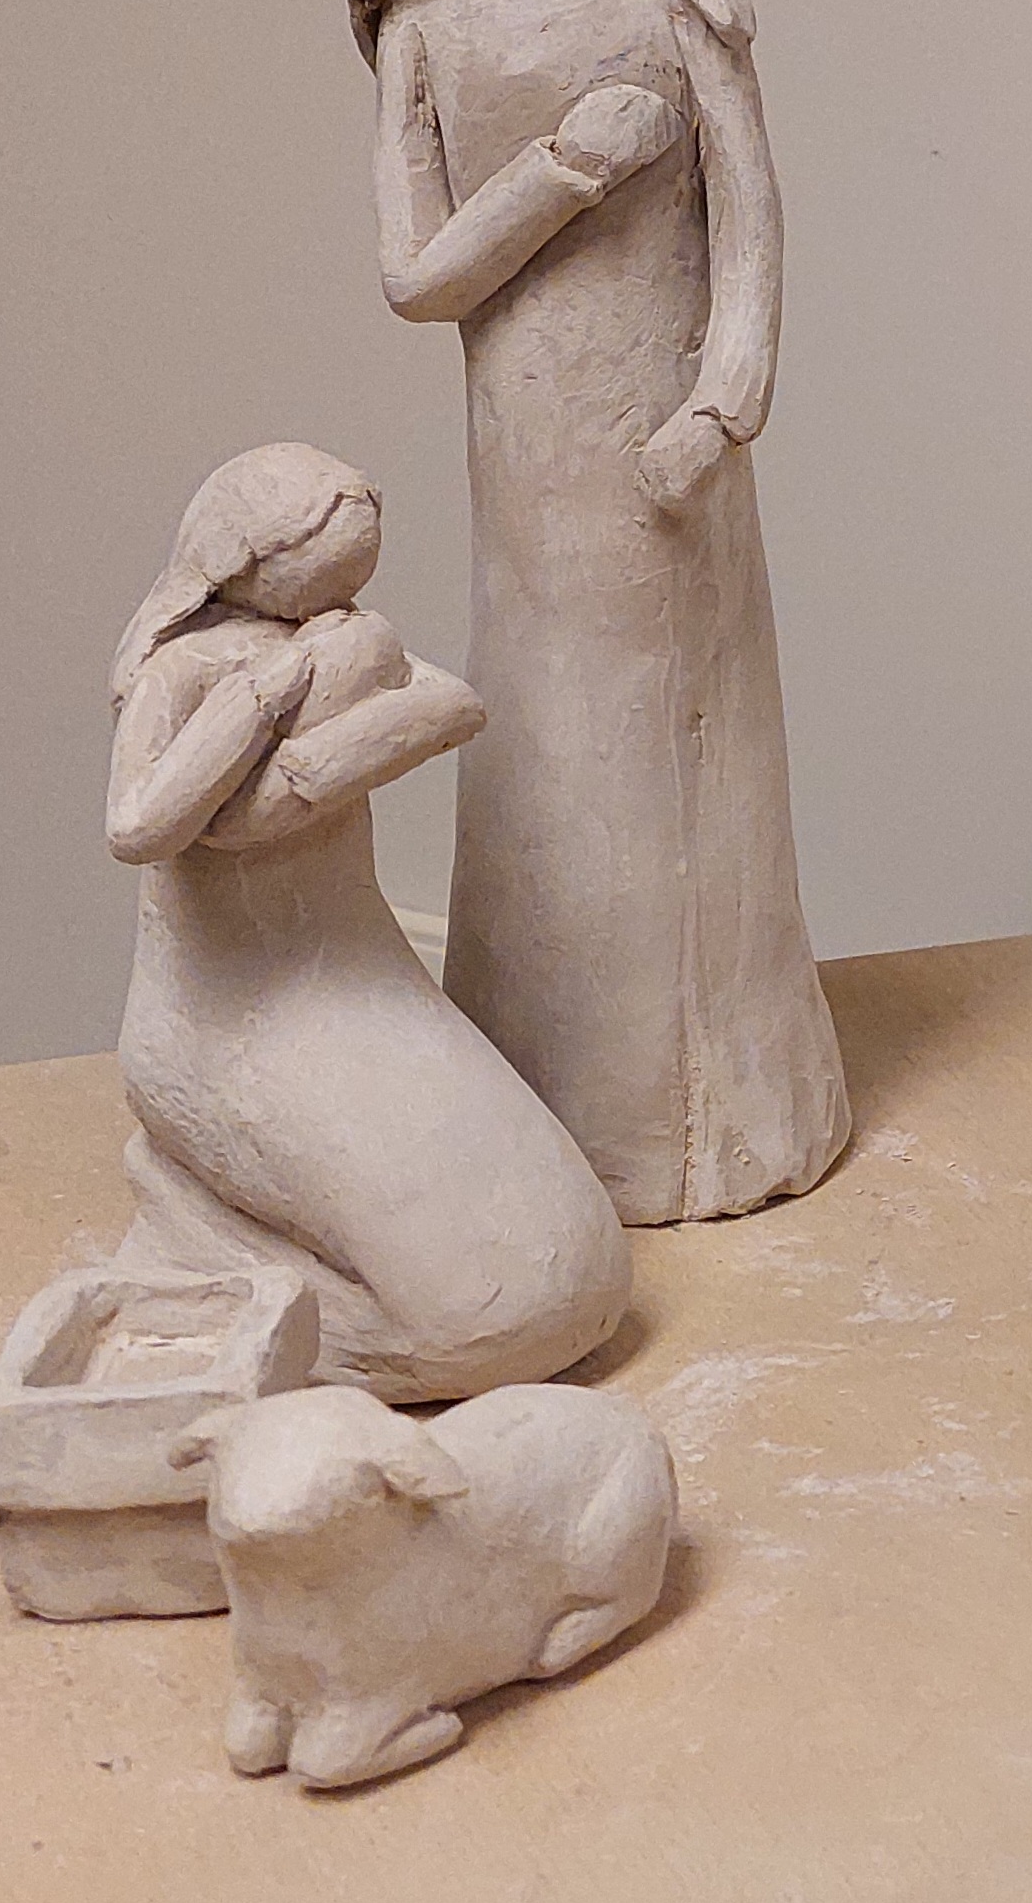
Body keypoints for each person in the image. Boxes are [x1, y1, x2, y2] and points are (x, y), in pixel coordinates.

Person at [349, 0, 850, 1224]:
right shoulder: (422, 20)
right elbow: (419, 276)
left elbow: (750, 217)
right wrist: (567, 168)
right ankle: (567, 1098)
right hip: (531, 438)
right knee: (557, 733)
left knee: (693, 737)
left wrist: (727, 400)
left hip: (668, 431)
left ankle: (734, 1113)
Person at [106, 443, 629, 1403]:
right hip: (231, 1018)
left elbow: (450, 704)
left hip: (356, 981)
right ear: (236, 555)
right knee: (487, 1315)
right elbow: (141, 825)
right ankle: (196, 1222)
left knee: (578, 1273)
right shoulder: (182, 673)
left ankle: (235, 1242)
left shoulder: (345, 642)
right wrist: (266, 700)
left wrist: (311, 736)